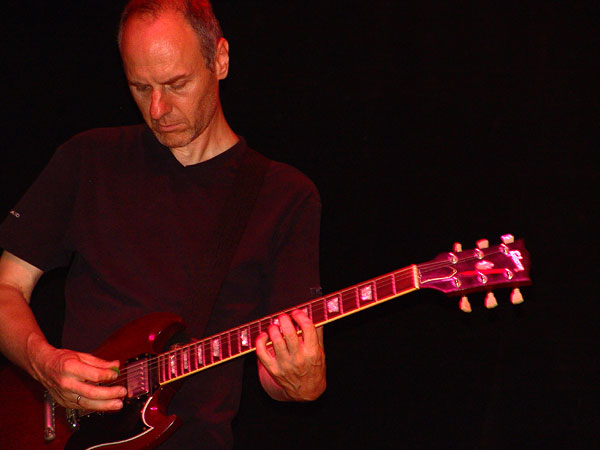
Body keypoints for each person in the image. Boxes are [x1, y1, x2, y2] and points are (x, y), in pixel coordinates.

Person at [0, 0, 326, 448]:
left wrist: (303, 382)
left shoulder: (284, 196)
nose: (157, 108)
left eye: (176, 84)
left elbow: (279, 376)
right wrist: (43, 363)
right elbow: (6, 287)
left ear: (220, 59)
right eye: (140, 87)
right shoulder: (87, 159)